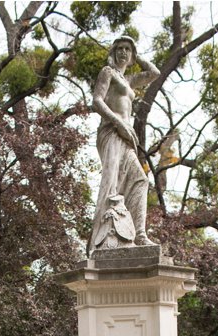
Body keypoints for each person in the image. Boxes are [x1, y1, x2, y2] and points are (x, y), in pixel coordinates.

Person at [89, 36, 160, 255]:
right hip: (111, 131)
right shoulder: (107, 73)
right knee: (111, 181)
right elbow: (97, 101)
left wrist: (137, 58)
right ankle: (101, 239)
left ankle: (139, 234)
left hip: (126, 135)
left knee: (140, 179)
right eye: (119, 48)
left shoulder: (128, 79)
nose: (123, 52)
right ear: (113, 51)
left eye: (127, 49)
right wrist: (117, 122)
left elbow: (154, 74)